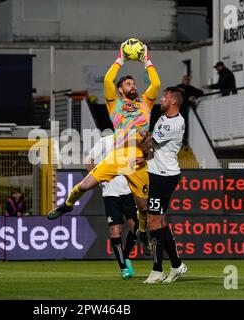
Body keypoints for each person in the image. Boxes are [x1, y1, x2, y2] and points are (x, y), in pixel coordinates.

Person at [47, 41, 161, 280]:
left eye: (134, 83)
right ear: (120, 90)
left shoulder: (146, 102)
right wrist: (120, 58)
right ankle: (66, 206)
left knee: (143, 208)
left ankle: (141, 231)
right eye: (128, 83)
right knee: (85, 185)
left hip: (137, 159)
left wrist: (146, 60)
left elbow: (157, 83)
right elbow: (108, 81)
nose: (133, 86)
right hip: (118, 156)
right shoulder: (115, 103)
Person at [86, 134, 151, 279]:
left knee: (135, 226)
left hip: (129, 190)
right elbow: (88, 160)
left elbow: (146, 155)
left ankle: (127, 255)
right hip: (110, 193)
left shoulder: (134, 141)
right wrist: (98, 179)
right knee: (115, 230)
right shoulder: (105, 141)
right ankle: (123, 268)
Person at [142, 87, 188, 284]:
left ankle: (157, 270)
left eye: (165, 97)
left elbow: (148, 144)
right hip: (159, 174)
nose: (162, 99)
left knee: (154, 223)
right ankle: (177, 265)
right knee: (159, 223)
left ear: (174, 102)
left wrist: (136, 137)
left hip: (164, 176)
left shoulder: (174, 124)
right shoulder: (163, 118)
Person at [176, 75, 204, 147]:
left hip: (185, 109)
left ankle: (184, 141)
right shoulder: (178, 87)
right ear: (182, 80)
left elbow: (201, 92)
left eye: (187, 80)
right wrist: (187, 98)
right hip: (177, 108)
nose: (186, 81)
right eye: (185, 79)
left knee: (184, 125)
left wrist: (194, 97)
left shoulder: (190, 88)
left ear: (189, 81)